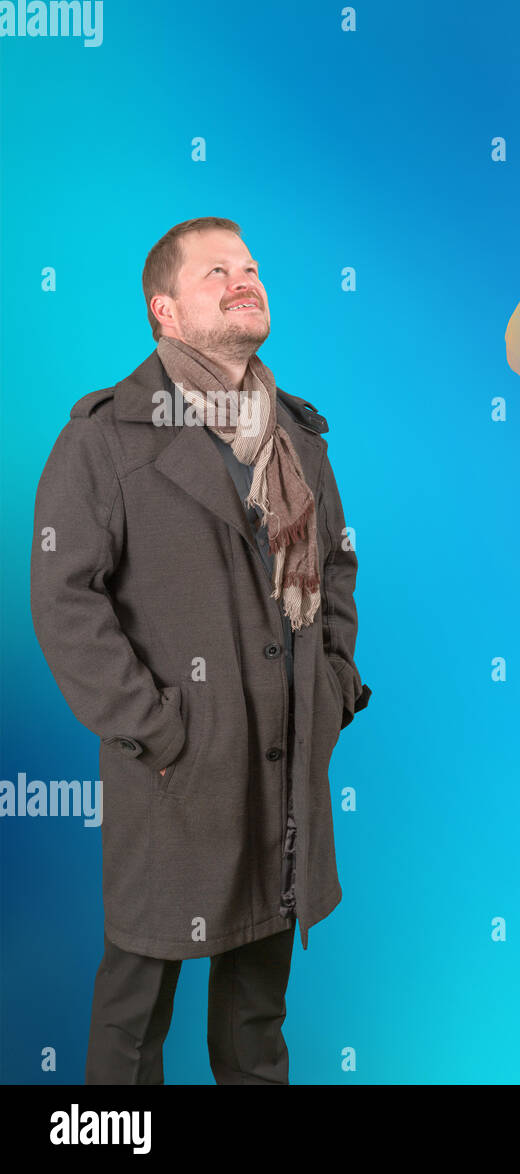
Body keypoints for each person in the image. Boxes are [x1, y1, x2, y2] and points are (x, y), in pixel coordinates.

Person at [29, 216, 370, 1084]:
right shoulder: (103, 440)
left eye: (250, 265)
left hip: (281, 765)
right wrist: (159, 730)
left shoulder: (298, 438)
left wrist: (328, 688)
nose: (243, 279)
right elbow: (66, 601)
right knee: (134, 1019)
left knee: (258, 1019)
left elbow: (335, 568)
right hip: (176, 774)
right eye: (216, 270)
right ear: (166, 310)